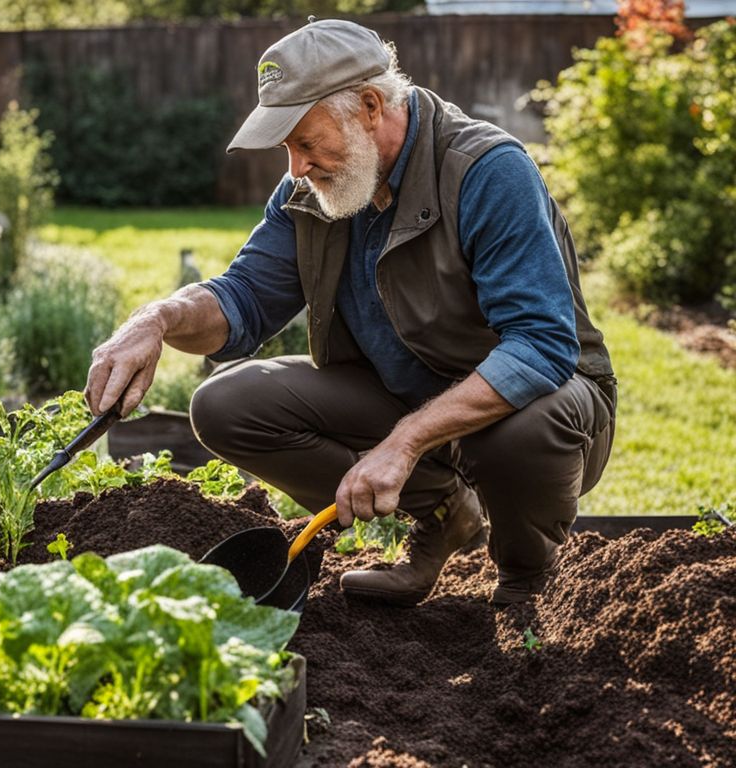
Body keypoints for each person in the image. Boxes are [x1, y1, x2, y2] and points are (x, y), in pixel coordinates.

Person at [84, 18, 616, 606]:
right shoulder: (312, 192)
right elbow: (242, 300)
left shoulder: (485, 171)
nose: (295, 168)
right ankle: (444, 518)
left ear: (368, 106)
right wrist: (155, 319)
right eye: (287, 148)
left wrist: (407, 441)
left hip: (538, 405)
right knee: (225, 403)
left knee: (518, 433)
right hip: (402, 393)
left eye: (305, 142)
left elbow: (541, 347)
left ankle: (526, 584)